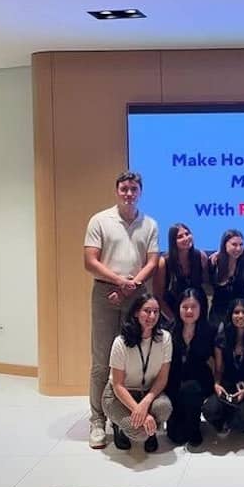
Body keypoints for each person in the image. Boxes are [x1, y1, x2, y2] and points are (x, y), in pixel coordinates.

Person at [83, 171, 159, 449]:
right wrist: (118, 281)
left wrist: (129, 286)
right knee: (102, 360)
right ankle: (97, 421)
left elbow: (152, 262)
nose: (129, 193)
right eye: (124, 188)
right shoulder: (100, 220)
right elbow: (90, 261)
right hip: (106, 293)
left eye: (133, 189)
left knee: (132, 359)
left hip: (137, 294)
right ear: (117, 191)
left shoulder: (149, 223)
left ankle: (122, 417)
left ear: (140, 192)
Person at [102, 294, 172, 452]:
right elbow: (118, 385)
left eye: (156, 311)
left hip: (147, 392)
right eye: (147, 311)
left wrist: (146, 403)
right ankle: (119, 426)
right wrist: (140, 411)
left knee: (164, 408)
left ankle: (150, 430)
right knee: (139, 433)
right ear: (135, 313)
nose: (152, 316)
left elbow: (162, 378)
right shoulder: (120, 342)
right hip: (118, 395)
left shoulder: (165, 338)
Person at [202, 298, 244, 435]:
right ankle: (227, 417)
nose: (240, 316)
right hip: (227, 384)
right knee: (209, 410)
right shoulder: (221, 339)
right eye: (236, 312)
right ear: (230, 315)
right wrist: (217, 385)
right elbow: (218, 370)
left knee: (240, 425)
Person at [165, 288, 216, 447]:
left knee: (191, 389)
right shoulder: (168, 331)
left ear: (201, 308)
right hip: (173, 380)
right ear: (178, 308)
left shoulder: (210, 331)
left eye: (194, 307)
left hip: (199, 380)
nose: (189, 311)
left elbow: (216, 362)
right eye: (185, 307)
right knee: (176, 436)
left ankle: (195, 425)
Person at [154, 223, 209, 321]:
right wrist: (172, 320)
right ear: (173, 241)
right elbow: (158, 296)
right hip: (172, 312)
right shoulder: (163, 262)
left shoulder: (201, 256)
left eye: (187, 234)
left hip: (197, 312)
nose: (186, 238)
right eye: (180, 237)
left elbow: (207, 284)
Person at [207, 229, 244, 331]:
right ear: (224, 245)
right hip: (218, 309)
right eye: (234, 244)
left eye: (241, 244)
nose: (238, 248)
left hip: (241, 309)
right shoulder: (214, 262)